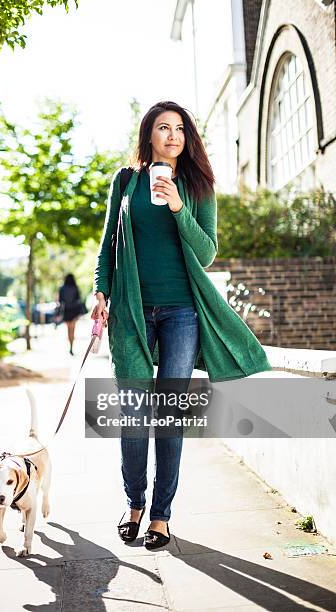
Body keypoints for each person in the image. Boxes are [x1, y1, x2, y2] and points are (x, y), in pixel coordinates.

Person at [91, 101, 271, 550]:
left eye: (179, 129)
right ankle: (134, 503)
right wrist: (101, 291)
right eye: (162, 127)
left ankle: (161, 516)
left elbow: (207, 253)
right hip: (132, 311)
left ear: (187, 138)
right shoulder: (127, 180)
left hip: (181, 313)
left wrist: (177, 207)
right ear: (148, 135)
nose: (172, 135)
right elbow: (108, 241)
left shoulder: (198, 185)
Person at [57, 273, 86, 356]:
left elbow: (60, 301)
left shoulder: (62, 288)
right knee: (72, 330)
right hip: (74, 311)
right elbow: (79, 299)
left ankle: (70, 346)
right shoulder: (75, 288)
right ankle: (71, 347)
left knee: (68, 330)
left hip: (66, 311)